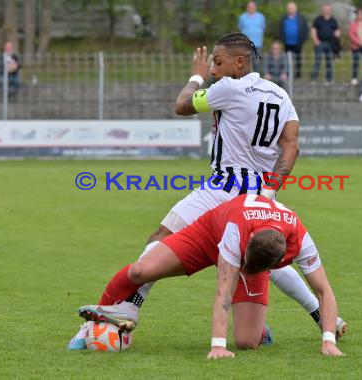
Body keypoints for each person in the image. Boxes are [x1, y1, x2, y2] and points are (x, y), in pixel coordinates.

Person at [67, 32, 346, 349]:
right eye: (211, 64)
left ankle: (129, 308)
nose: (214, 69)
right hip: (257, 196)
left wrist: (196, 76)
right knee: (262, 257)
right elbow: (291, 146)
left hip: (223, 189)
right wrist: (268, 194)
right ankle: (322, 316)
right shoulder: (280, 95)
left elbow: (181, 106)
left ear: (239, 62)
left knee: (162, 237)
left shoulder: (229, 88)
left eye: (218, 62)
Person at [76, 194, 346, 358]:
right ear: (249, 240)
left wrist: (328, 341)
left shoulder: (301, 239)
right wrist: (217, 345)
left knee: (246, 342)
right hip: (206, 234)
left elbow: (324, 290)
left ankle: (256, 325)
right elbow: (223, 292)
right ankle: (104, 318)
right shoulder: (237, 230)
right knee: (141, 270)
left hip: (251, 239)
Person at [310, 4, 340, 84]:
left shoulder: (333, 20)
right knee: (317, 61)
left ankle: (329, 79)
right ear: (322, 10)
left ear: (330, 10)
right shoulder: (318, 19)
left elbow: (337, 30)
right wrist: (316, 40)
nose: (326, 11)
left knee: (329, 61)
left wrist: (336, 37)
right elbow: (313, 30)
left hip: (331, 44)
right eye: (325, 9)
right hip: (320, 43)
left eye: (328, 9)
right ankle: (314, 78)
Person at [279, 2, 309, 78]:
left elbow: (306, 30)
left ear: (296, 9)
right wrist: (282, 39)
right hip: (287, 43)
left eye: (292, 8)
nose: (291, 9)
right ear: (287, 9)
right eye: (289, 8)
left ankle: (298, 75)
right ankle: (288, 74)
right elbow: (280, 30)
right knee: (287, 60)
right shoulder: (283, 19)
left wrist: (303, 40)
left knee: (298, 59)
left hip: (298, 42)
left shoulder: (301, 18)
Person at [238, 1, 266, 72]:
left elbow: (263, 28)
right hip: (246, 45)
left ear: (255, 7)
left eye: (252, 7)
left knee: (257, 64)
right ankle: (246, 79)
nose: (251, 8)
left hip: (258, 44)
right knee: (246, 62)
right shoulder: (242, 17)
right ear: (247, 8)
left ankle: (256, 80)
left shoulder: (261, 17)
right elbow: (240, 28)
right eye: (249, 7)